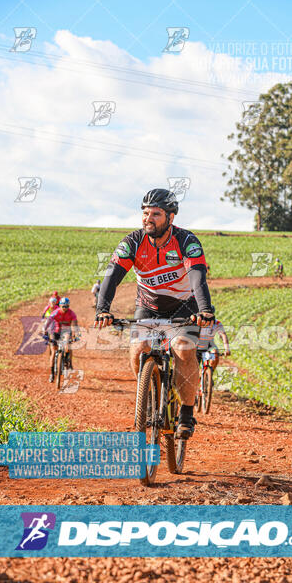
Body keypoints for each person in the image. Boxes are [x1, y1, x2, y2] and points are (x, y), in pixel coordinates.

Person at [94, 188, 214, 439]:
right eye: (145, 213)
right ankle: (147, 393)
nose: (148, 218)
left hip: (184, 307)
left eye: (156, 214)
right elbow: (112, 276)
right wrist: (103, 309)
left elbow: (197, 277)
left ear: (171, 217)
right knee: (138, 349)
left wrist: (204, 310)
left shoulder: (186, 241)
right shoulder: (133, 242)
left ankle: (186, 413)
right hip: (148, 306)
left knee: (183, 347)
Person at [43, 297, 78, 383]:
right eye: (63, 306)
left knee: (67, 342)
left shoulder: (71, 313)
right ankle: (51, 373)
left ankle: (66, 360)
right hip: (56, 331)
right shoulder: (56, 312)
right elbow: (48, 320)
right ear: (60, 306)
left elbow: (74, 325)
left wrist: (74, 334)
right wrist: (44, 330)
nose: (65, 308)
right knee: (53, 351)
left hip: (66, 331)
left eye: (67, 306)